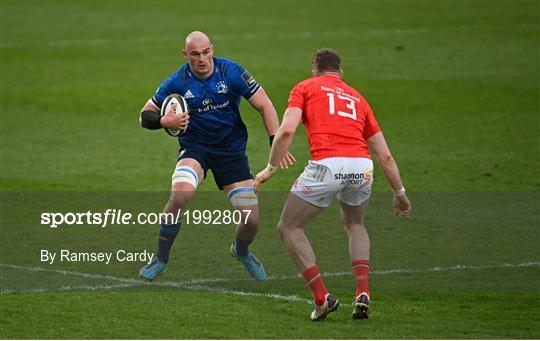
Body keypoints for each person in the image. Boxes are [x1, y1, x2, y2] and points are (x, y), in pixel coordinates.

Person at [254, 48, 411, 320]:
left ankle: (322, 298)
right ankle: (363, 292)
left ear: (314, 71)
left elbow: (287, 129)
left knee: (289, 226)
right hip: (362, 167)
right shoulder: (358, 98)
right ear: (341, 73)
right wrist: (400, 193)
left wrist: (270, 168)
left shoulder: (305, 87)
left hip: (327, 165)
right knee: (355, 224)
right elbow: (385, 154)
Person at [138, 31, 294, 282]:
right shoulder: (177, 80)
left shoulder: (231, 72)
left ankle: (241, 251)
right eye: (195, 54)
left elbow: (264, 104)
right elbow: (144, 115)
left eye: (206, 52)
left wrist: (275, 143)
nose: (202, 59)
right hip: (195, 149)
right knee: (180, 195)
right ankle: (160, 259)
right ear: (185, 54)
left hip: (231, 152)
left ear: (212, 48)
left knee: (252, 220)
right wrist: (164, 120)